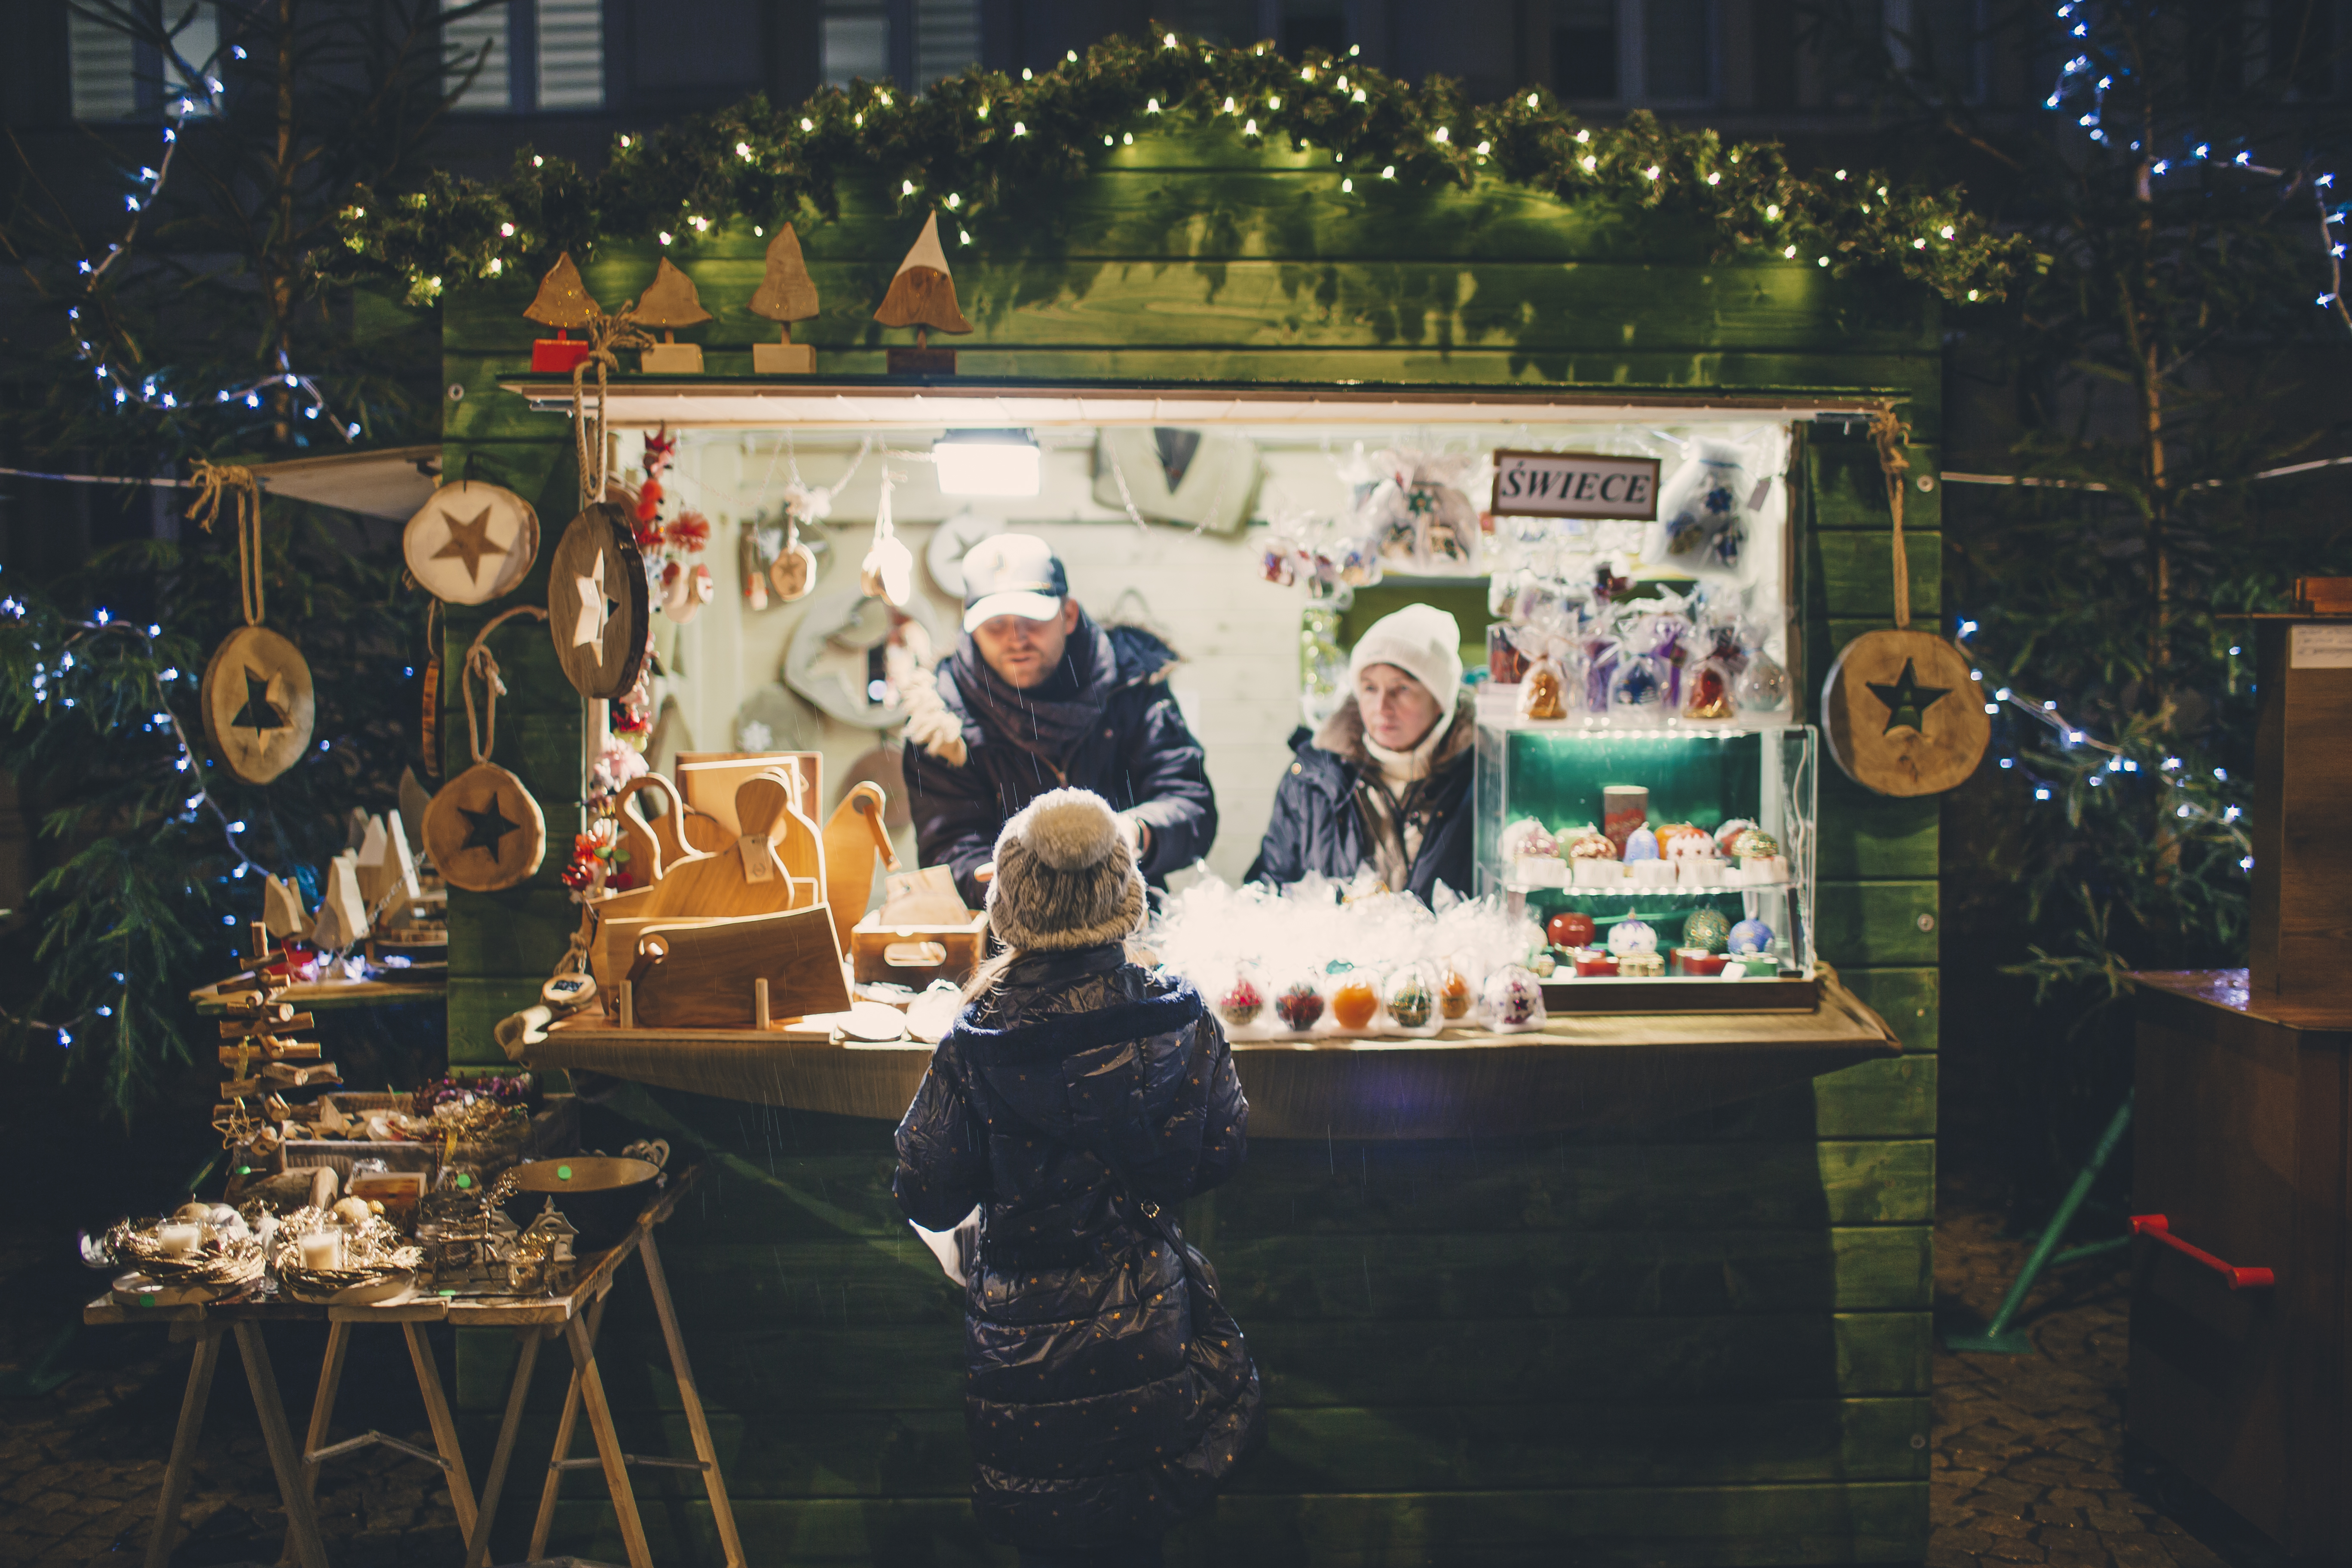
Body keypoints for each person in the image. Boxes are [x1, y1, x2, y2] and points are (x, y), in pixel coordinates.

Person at [893, 788, 1261, 1567]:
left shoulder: (975, 1034)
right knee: (1139, 1535)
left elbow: (925, 1188)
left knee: (1049, 1544)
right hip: (1147, 1325)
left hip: (1021, 1347)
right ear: (1125, 894)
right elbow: (1222, 1148)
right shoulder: (1181, 1013)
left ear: (1008, 901)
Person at [900, 533, 1217, 910]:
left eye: (1031, 619)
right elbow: (948, 849)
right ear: (971, 628)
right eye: (995, 624)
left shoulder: (1133, 683)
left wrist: (1132, 833)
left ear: (1067, 615)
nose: (1016, 638)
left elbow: (1190, 802)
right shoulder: (941, 723)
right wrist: (1014, 884)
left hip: (1130, 922)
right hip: (1007, 941)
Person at [1248, 603, 1477, 902]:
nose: (1382, 708)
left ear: (1439, 700)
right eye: (1370, 688)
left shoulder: (1479, 781)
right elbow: (1269, 886)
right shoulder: (1312, 778)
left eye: (1402, 689)